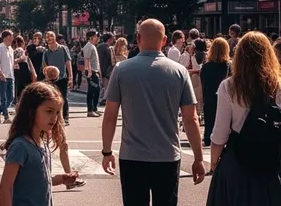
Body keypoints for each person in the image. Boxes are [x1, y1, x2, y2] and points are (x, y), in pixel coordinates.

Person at [101, 18, 206, 203]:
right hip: (167, 156)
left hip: (132, 156)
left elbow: (110, 116)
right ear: (164, 40)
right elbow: (191, 119)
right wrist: (198, 158)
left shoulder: (121, 69)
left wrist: (107, 152)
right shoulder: (179, 71)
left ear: (138, 38)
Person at [207, 31, 281, 204]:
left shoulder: (229, 86)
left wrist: (214, 163)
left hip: (237, 161)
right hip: (272, 161)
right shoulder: (278, 85)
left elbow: (220, 134)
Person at [0, 82, 78, 206]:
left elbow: (39, 181)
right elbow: (5, 188)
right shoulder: (20, 146)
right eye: (49, 111)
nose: (54, 118)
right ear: (31, 110)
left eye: (56, 112)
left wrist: (61, 179)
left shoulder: (41, 143)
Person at [201, 37, 231, 147]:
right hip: (226, 98)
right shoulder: (229, 66)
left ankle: (208, 140)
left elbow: (204, 84)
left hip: (209, 97)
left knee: (209, 122)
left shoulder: (206, 67)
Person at [41, 31, 73, 125]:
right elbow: (44, 66)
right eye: (47, 37)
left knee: (63, 98)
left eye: (51, 36)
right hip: (51, 79)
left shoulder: (63, 48)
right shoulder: (46, 52)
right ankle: (54, 118)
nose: (49, 38)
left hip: (62, 77)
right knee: (51, 99)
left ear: (55, 37)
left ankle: (65, 118)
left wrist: (71, 76)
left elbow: (68, 62)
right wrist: (47, 76)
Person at [0, 30, 15, 124]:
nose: (12, 38)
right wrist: (1, 74)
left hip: (10, 75)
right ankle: (6, 117)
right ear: (5, 37)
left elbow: (11, 62)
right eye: (11, 37)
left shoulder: (10, 49)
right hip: (1, 76)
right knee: (4, 97)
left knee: (11, 97)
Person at [82, 30, 101, 117]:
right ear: (91, 37)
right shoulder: (88, 46)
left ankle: (94, 108)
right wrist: (89, 71)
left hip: (95, 71)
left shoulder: (93, 46)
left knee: (97, 90)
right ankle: (90, 110)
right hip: (91, 71)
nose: (98, 38)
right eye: (96, 36)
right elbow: (87, 59)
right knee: (92, 91)